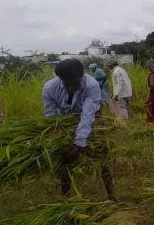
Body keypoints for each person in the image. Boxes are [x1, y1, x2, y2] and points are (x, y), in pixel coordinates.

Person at [43, 59, 115, 200]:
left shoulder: (91, 85)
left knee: (102, 155)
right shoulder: (49, 88)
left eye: (74, 83)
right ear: (60, 79)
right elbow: (50, 117)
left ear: (82, 75)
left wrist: (79, 143)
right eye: (67, 83)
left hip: (91, 119)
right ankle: (66, 200)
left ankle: (112, 195)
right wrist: (59, 137)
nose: (71, 87)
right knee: (65, 160)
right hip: (65, 122)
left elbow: (88, 114)